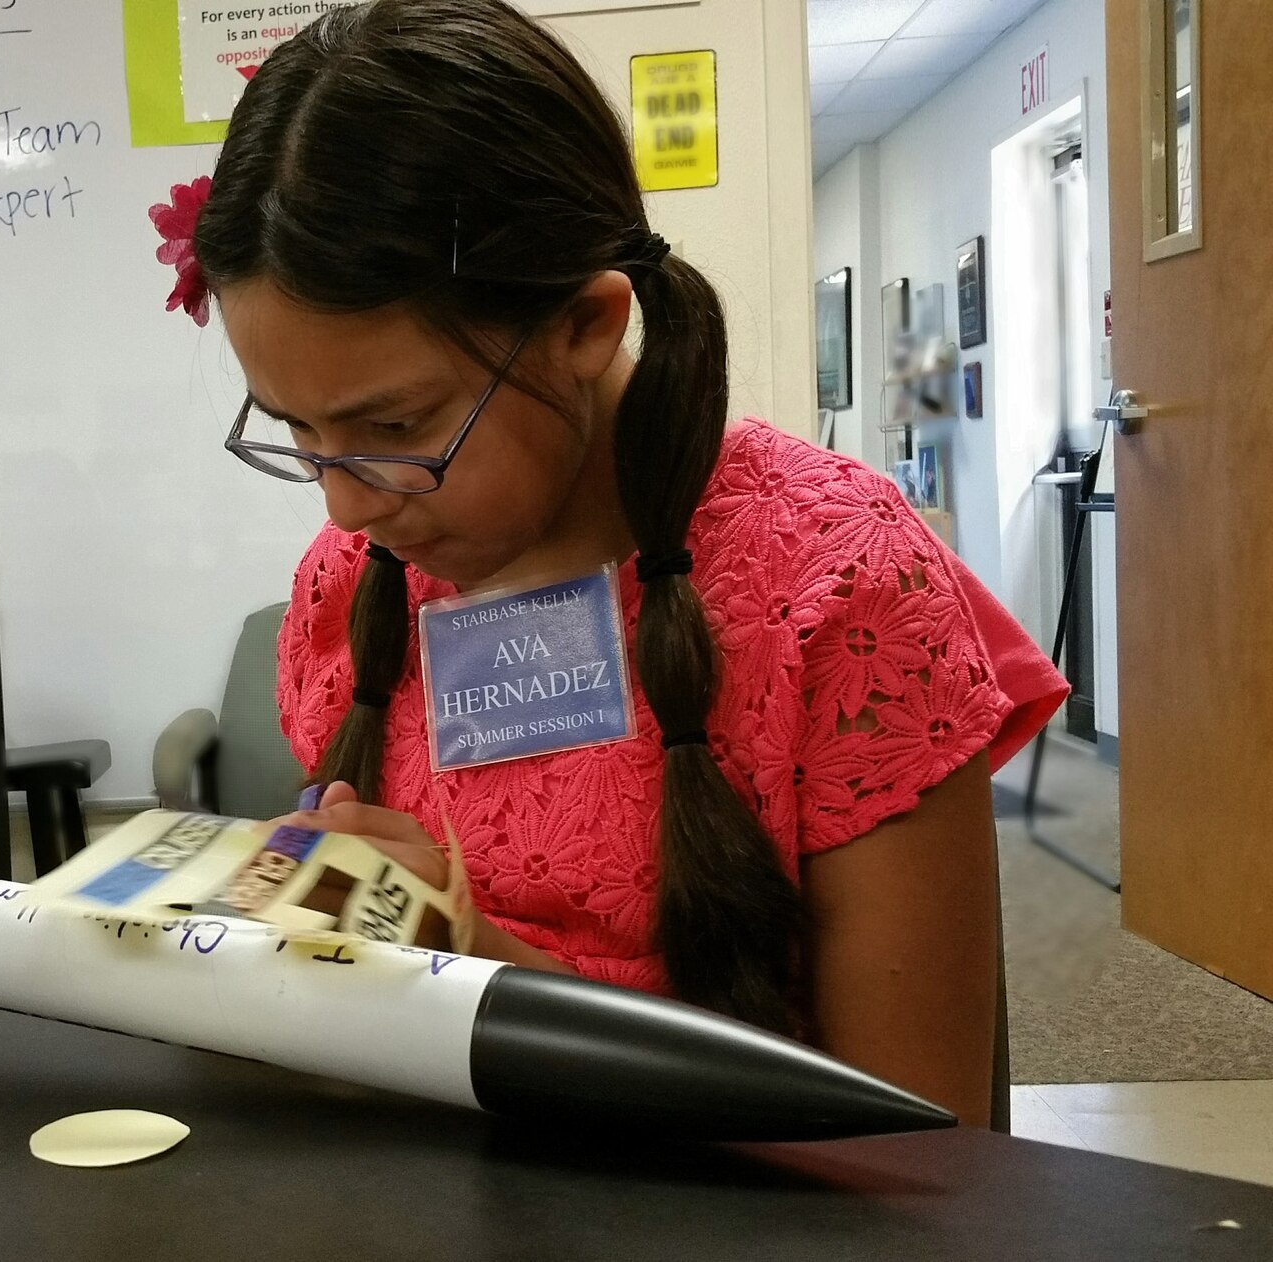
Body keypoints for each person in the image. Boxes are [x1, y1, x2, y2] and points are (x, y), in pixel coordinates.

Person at [161, 0, 1068, 1127]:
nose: (346, 502)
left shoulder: (838, 586)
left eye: (395, 426)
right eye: (298, 432)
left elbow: (920, 1145)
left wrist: (472, 967)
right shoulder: (349, 586)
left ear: (586, 322)